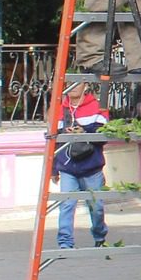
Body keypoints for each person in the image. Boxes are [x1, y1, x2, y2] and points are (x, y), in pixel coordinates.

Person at [52, 83, 110, 250]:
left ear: (85, 86)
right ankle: (65, 242)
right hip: (67, 167)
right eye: (69, 84)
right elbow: (53, 142)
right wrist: (54, 169)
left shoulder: (97, 106)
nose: (73, 88)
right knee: (67, 205)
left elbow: (104, 135)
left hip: (91, 167)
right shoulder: (59, 108)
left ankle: (100, 236)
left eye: (77, 84)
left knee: (96, 207)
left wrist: (84, 132)